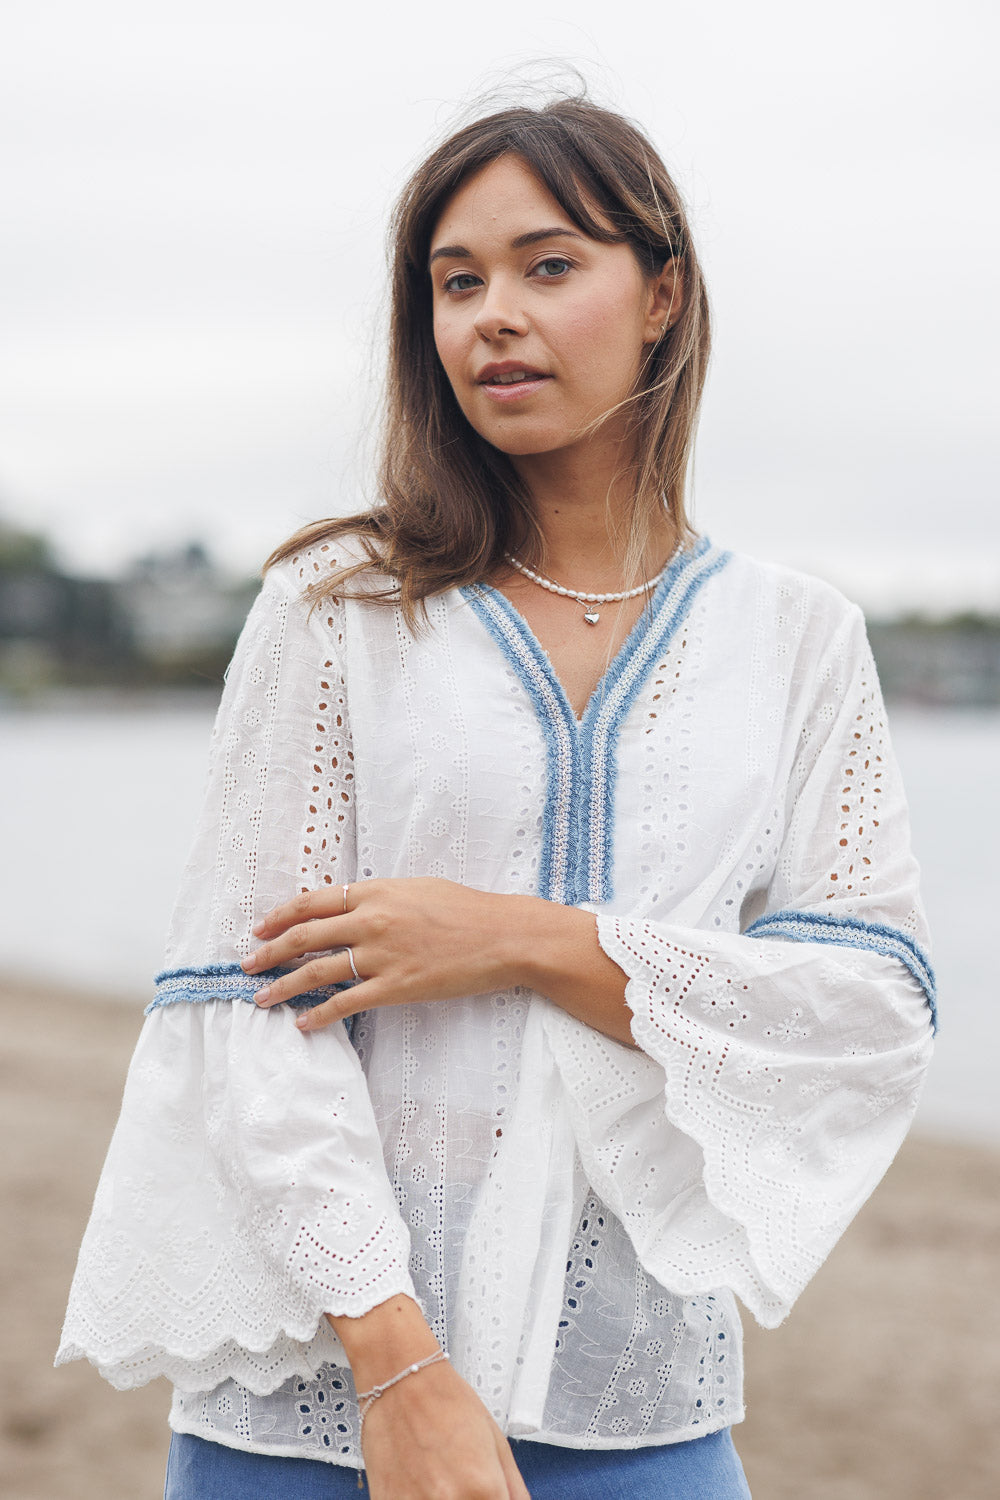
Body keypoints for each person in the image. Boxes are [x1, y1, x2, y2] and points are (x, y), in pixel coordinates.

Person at [57, 95, 936, 1500]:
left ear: (662, 296)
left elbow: (869, 1008)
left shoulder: (798, 641)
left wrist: (517, 939)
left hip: (635, 1405)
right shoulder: (340, 608)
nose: (493, 316)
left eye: (548, 265)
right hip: (316, 1410)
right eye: (456, 282)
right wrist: (397, 1366)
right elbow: (245, 1004)